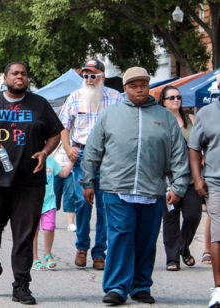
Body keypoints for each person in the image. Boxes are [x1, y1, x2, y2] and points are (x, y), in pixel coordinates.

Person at [82, 67, 189, 306]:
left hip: (152, 190)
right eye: (133, 85)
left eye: (143, 84)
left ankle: (140, 285)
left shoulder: (165, 117)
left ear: (149, 86)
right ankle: (116, 288)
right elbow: (92, 150)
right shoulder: (110, 115)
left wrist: (179, 186)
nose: (139, 89)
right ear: (125, 88)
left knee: (145, 241)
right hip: (116, 189)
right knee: (120, 237)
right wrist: (88, 181)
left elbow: (178, 155)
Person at [0, 62, 62, 304]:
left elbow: (55, 133)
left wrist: (45, 152)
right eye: (15, 73)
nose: (20, 77)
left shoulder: (39, 104)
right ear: (6, 77)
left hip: (29, 182)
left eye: (24, 74)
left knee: (24, 235)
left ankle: (21, 285)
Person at [58, 59, 123, 270]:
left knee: (106, 205)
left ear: (102, 76)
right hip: (82, 155)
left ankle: (99, 252)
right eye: (85, 75)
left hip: (107, 157)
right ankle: (82, 247)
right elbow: (64, 126)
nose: (88, 79)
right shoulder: (75, 97)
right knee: (82, 203)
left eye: (92, 75)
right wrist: (68, 148)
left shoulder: (115, 98)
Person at [159, 85, 201, 271]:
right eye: (172, 98)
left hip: (191, 176)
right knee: (171, 218)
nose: (176, 100)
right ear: (163, 101)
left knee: (193, 215)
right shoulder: (159, 120)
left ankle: (183, 246)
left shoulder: (190, 118)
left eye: (178, 97)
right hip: (169, 178)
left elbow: (200, 142)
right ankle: (172, 258)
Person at [188, 74, 220, 308]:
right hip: (216, 181)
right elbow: (195, 147)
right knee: (219, 234)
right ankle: (219, 290)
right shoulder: (206, 114)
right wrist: (198, 178)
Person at [32, 154, 74, 271]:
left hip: (49, 202)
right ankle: (35, 259)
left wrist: (72, 161)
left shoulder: (51, 161)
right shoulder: (30, 160)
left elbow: (64, 174)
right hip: (33, 202)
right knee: (33, 231)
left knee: (50, 227)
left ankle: (48, 254)